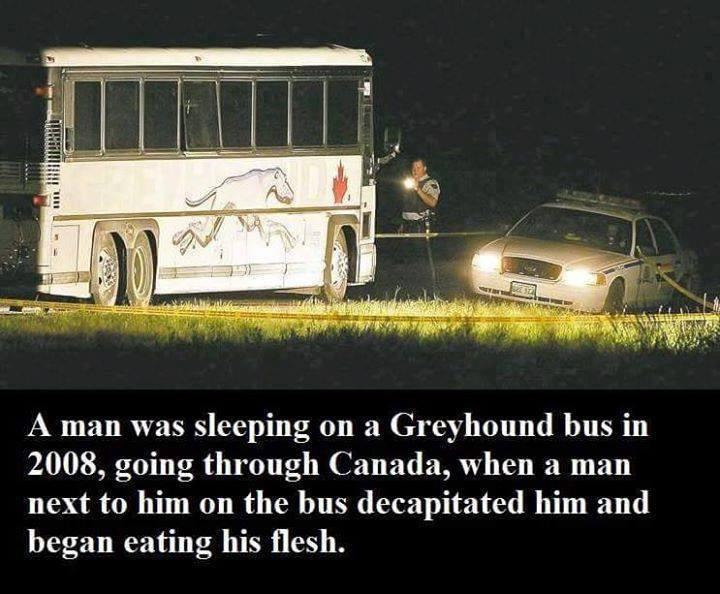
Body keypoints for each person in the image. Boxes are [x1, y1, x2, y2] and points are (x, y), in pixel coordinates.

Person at [399, 157, 441, 233]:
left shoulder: (430, 183)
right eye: (413, 168)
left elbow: (432, 202)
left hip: (420, 226)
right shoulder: (409, 182)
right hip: (407, 225)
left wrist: (418, 189)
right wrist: (402, 225)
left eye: (418, 168)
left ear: (424, 169)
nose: (415, 171)